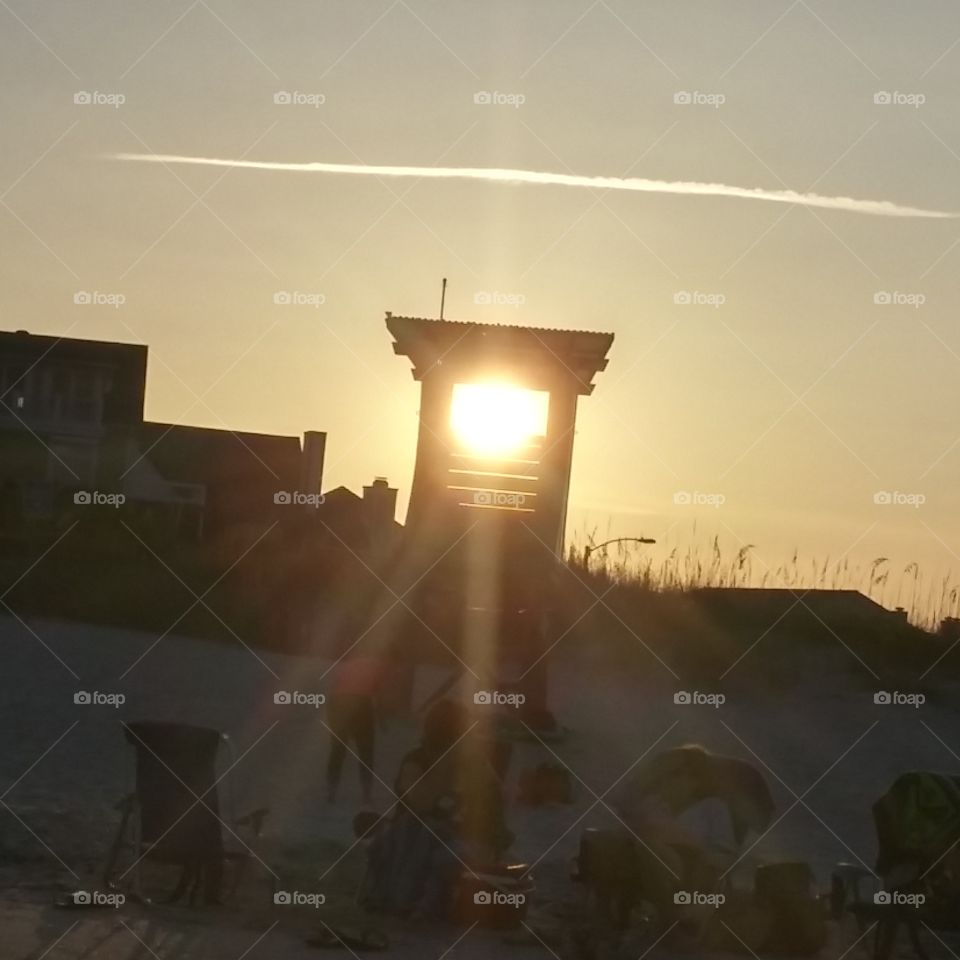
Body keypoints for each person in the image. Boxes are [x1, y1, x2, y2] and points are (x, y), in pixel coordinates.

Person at [359, 699, 511, 919]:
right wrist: (447, 764)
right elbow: (420, 804)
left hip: (474, 840)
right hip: (422, 833)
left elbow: (494, 807)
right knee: (412, 831)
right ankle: (399, 898)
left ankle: (409, 901)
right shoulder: (416, 761)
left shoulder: (475, 763)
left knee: (431, 840)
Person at [325, 650, 385, 805]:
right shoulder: (373, 666)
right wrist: (381, 718)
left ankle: (331, 791)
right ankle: (366, 793)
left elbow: (332, 692)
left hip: (339, 705)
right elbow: (377, 694)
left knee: (337, 751)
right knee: (365, 752)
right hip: (361, 707)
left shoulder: (345, 666)